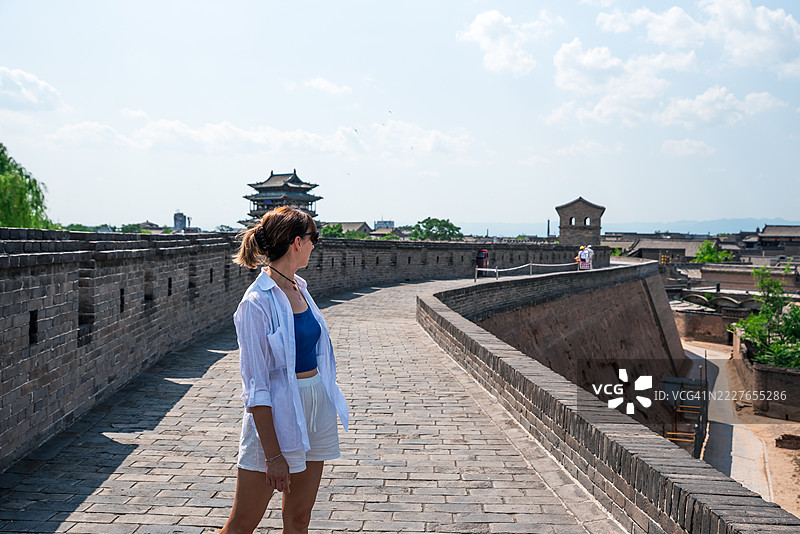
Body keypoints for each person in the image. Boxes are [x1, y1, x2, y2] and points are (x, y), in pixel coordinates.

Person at [221, 206, 349, 534]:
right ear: (296, 242)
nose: (314, 244)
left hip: (315, 407)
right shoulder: (255, 304)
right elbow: (256, 386)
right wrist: (273, 454)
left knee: (298, 519)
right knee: (243, 523)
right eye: (312, 238)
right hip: (276, 417)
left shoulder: (299, 288)